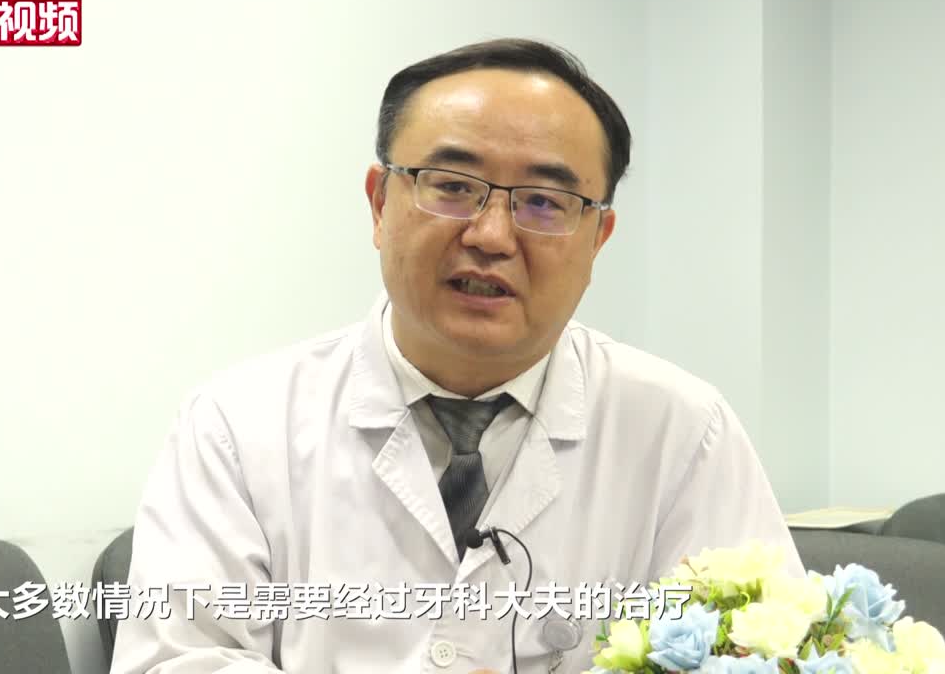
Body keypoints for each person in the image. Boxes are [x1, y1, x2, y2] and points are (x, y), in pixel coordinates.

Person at [109, 38, 803, 674]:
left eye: (544, 201)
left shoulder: (683, 431)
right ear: (380, 204)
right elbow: (174, 661)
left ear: (598, 239)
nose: (492, 236)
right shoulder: (236, 425)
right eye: (452, 186)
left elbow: (765, 652)